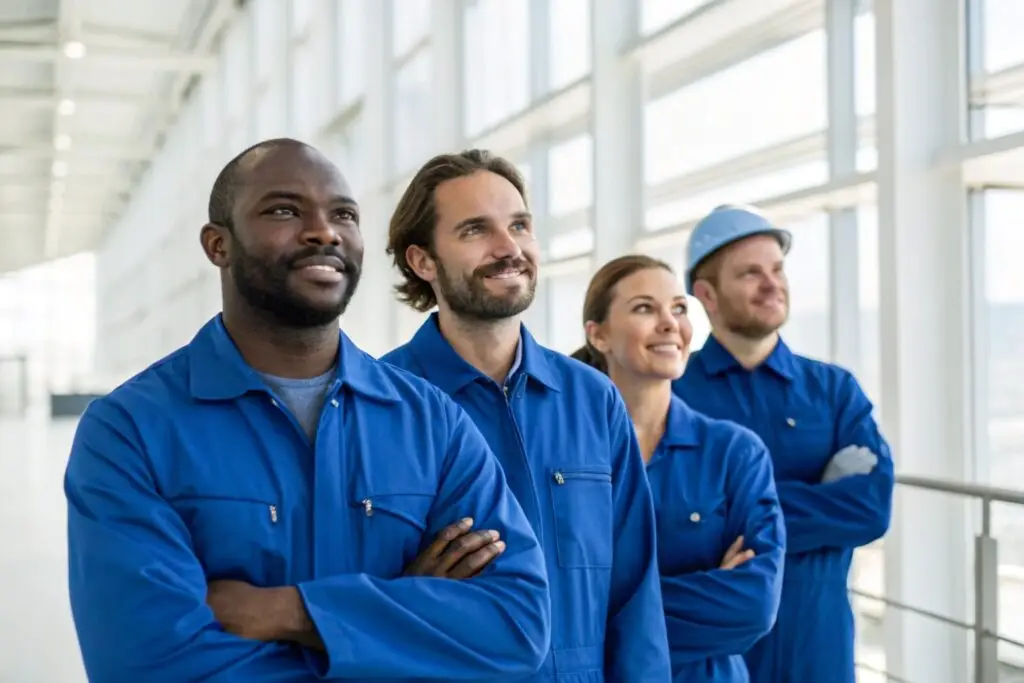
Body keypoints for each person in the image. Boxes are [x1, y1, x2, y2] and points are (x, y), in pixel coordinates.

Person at [64, 138, 552, 683]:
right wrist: (402, 611)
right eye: (283, 211)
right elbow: (149, 663)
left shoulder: (432, 422)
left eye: (344, 214)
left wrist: (289, 612)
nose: (324, 231)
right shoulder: (130, 432)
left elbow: (517, 626)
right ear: (218, 245)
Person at [380, 149, 672, 681]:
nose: (509, 248)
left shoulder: (592, 398)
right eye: (475, 230)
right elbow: (348, 592)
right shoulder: (379, 404)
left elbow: (634, 593)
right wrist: (410, 595)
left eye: (519, 225)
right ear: (423, 261)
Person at [672, 204, 895, 683]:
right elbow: (668, 517)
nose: (772, 283)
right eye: (751, 273)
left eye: (776, 269)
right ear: (706, 295)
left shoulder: (835, 391)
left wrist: (738, 511)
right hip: (714, 655)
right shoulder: (672, 393)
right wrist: (819, 497)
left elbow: (872, 507)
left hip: (819, 646)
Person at [570, 254, 785, 683]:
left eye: (679, 308)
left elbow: (754, 605)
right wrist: (706, 591)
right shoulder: (562, 454)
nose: (670, 323)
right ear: (599, 335)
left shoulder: (735, 453)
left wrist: (594, 614)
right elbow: (539, 598)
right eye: (645, 308)